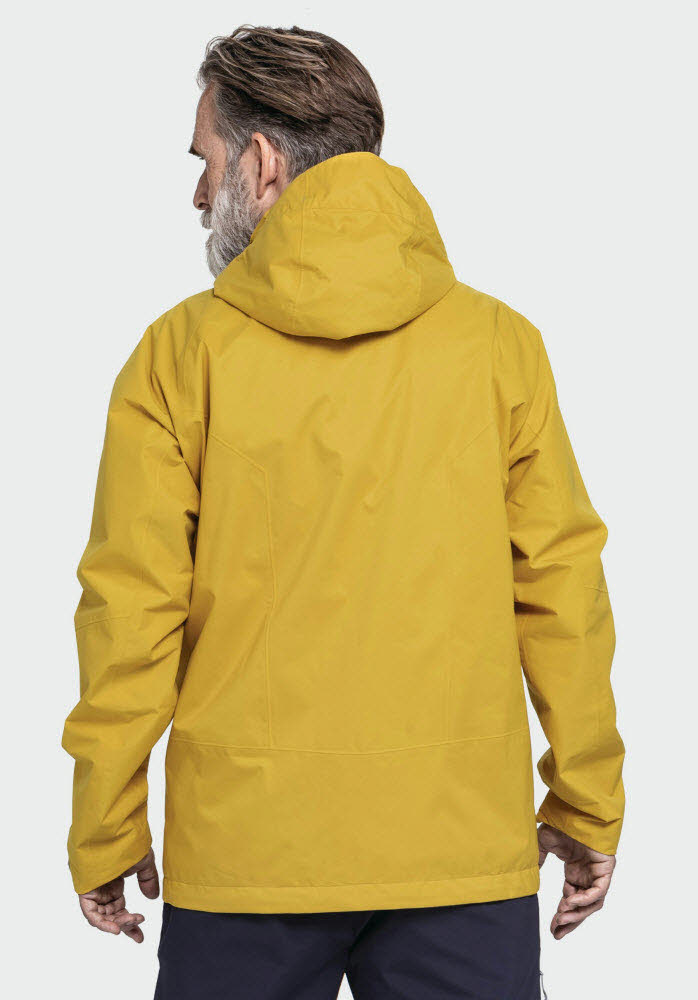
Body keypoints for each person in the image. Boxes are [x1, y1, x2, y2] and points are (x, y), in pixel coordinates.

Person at [62, 25, 625, 1000]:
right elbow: (561, 591)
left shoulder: (180, 355)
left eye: (204, 160)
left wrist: (106, 824)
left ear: (263, 162)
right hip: (459, 855)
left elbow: (131, 610)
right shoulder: (498, 346)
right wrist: (586, 801)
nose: (198, 192)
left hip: (247, 858)